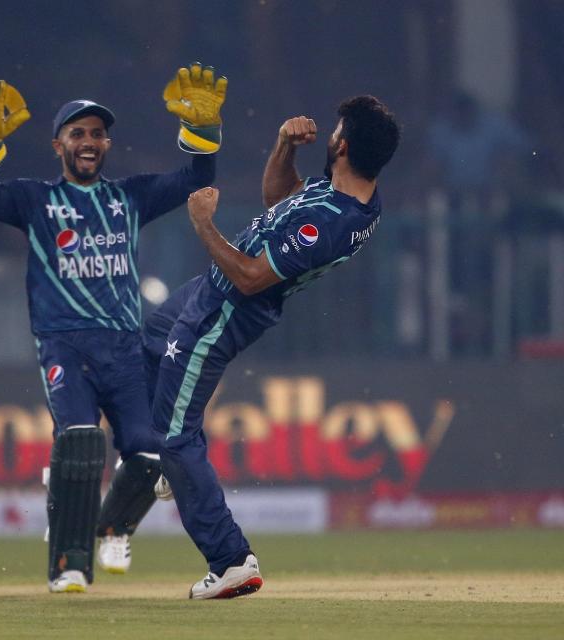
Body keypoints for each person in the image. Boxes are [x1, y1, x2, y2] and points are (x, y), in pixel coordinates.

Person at [0, 64, 227, 593]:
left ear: (107, 144)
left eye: (97, 134)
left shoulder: (129, 197)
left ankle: (112, 528)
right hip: (64, 343)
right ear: (57, 145)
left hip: (125, 351)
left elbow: (198, 178)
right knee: (81, 441)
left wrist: (203, 134)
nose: (89, 142)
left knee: (154, 454)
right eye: (77, 134)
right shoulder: (35, 201)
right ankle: (69, 564)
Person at [145, 96, 399, 599]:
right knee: (151, 341)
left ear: (342, 146)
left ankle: (231, 560)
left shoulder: (334, 222)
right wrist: (283, 147)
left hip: (224, 309)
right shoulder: (348, 190)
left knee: (174, 437)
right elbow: (277, 201)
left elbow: (252, 276)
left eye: (335, 130)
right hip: (207, 292)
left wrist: (203, 224)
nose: (328, 134)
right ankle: (180, 468)